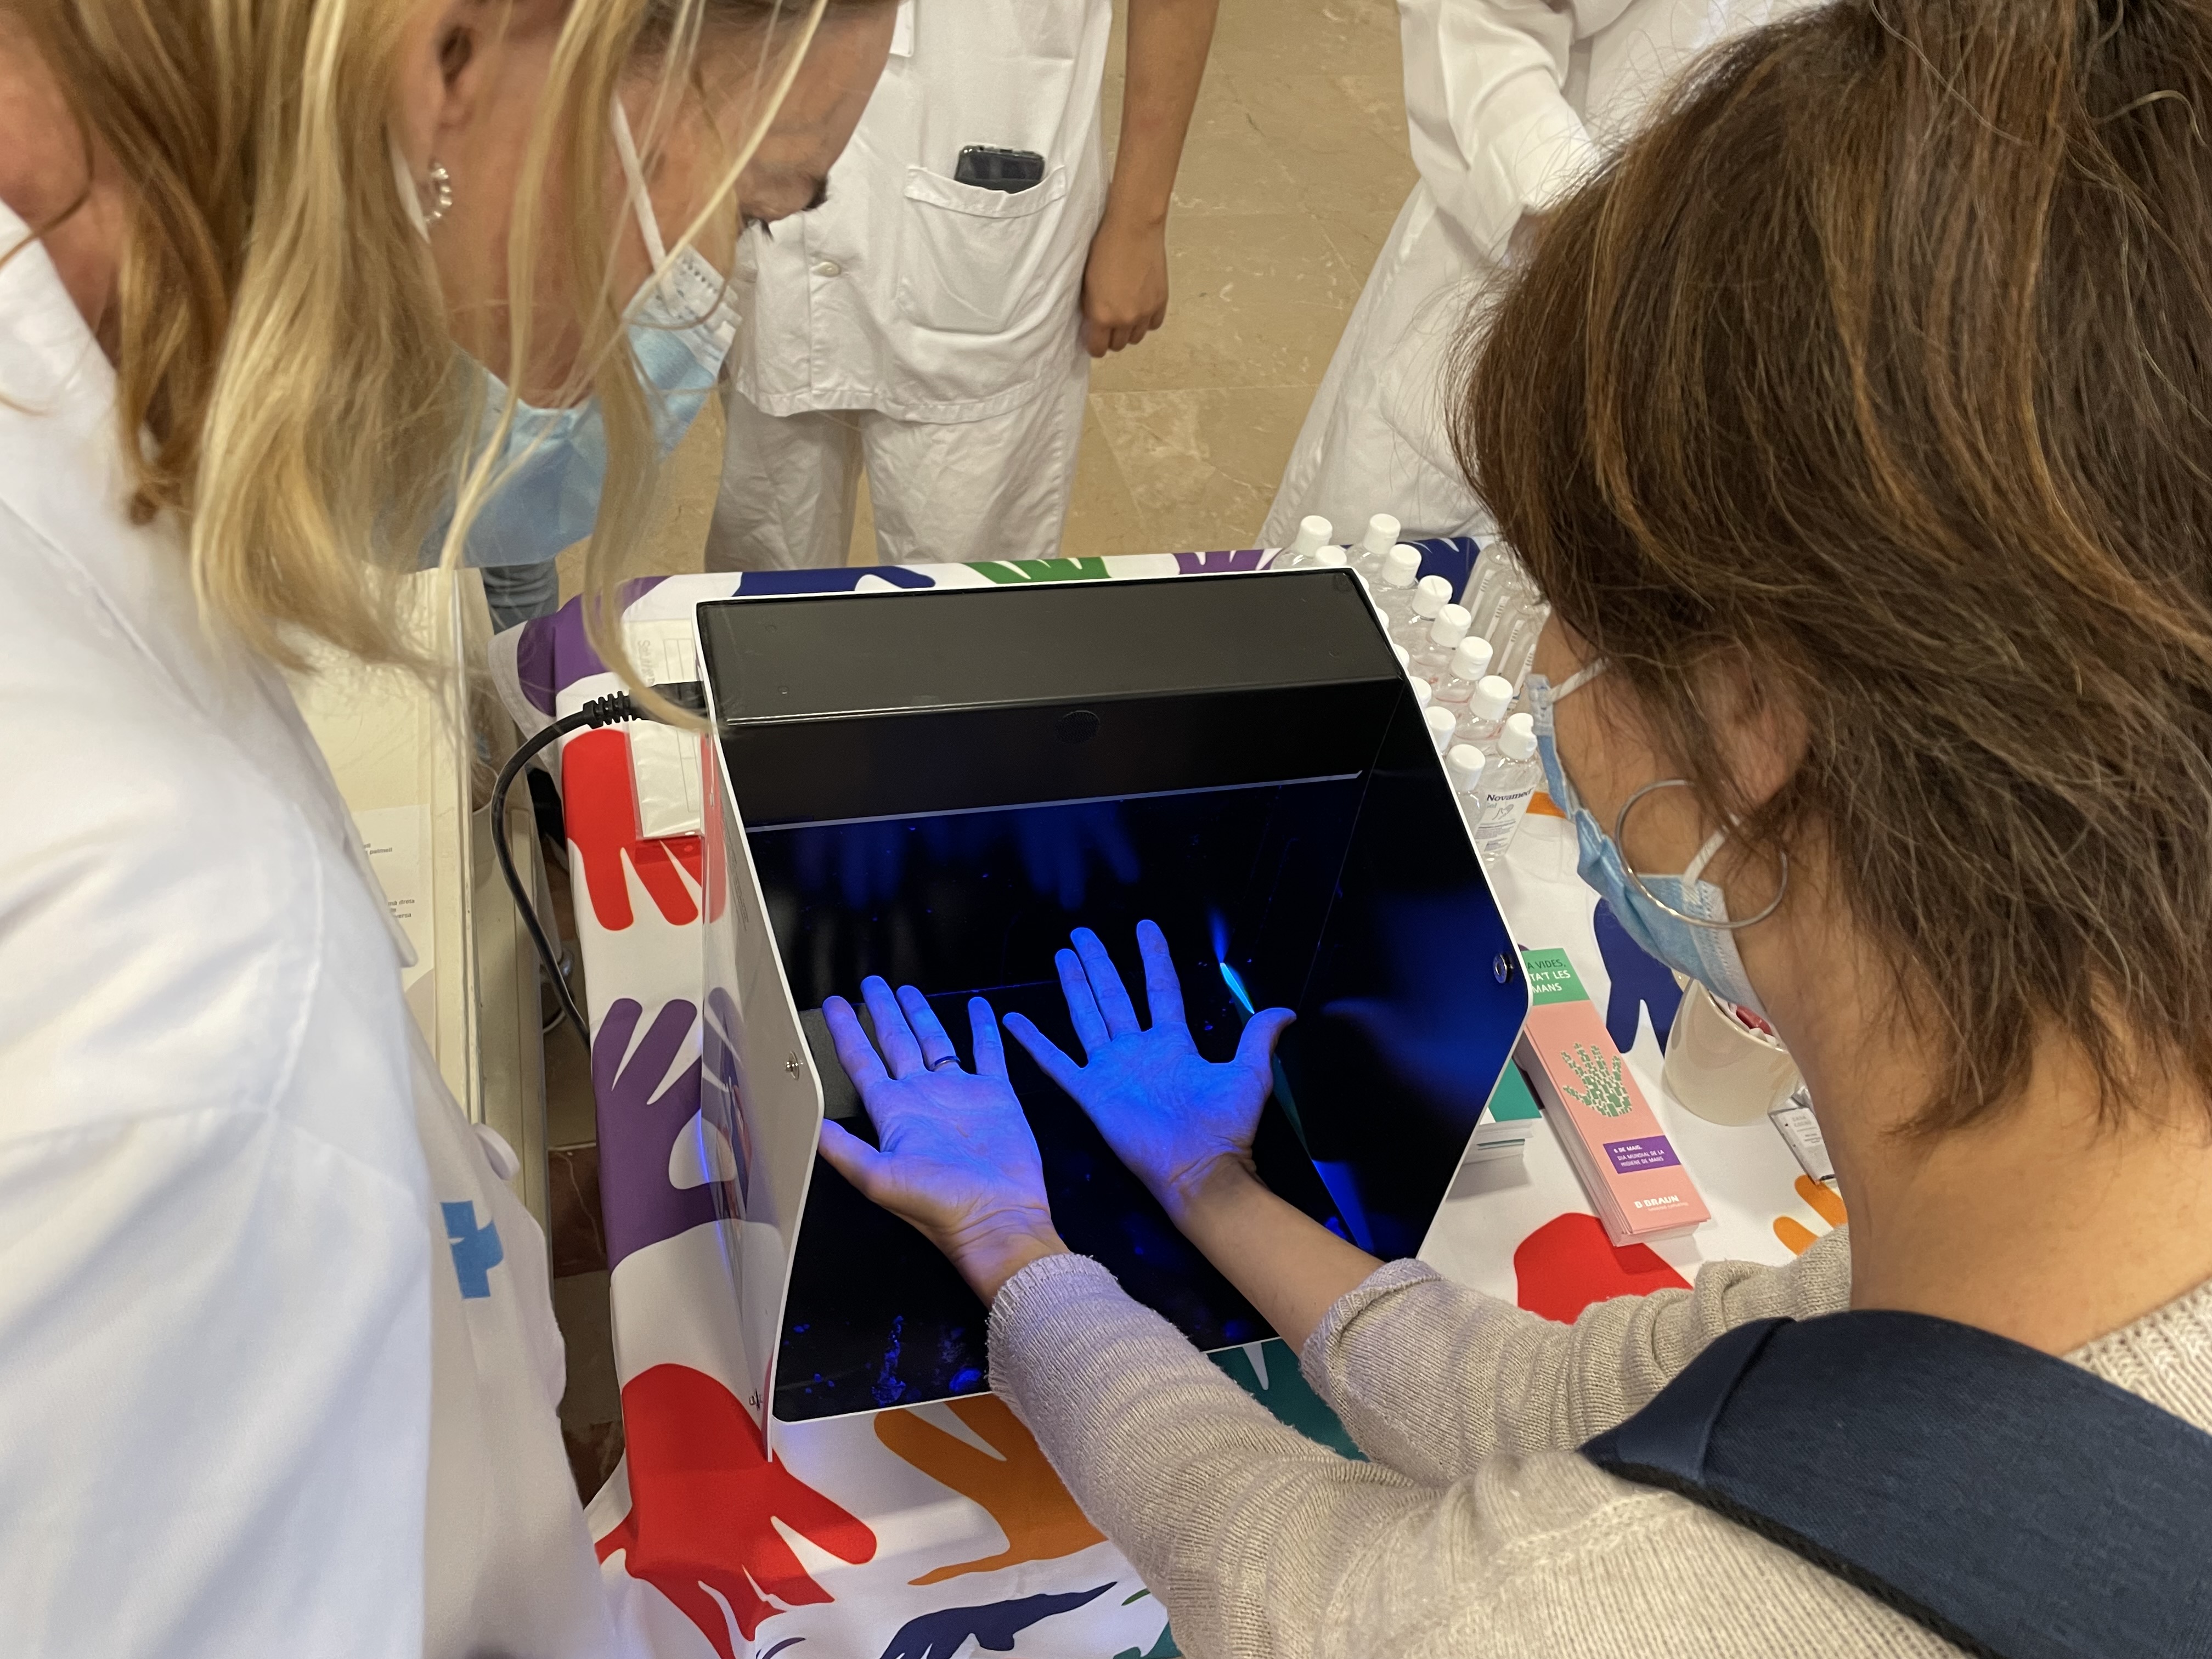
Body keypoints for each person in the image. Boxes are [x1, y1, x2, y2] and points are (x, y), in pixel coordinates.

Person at [816, 3, 2212, 1653]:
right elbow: (1567, 1400)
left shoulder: (1571, 1618)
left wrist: (1013, 1247)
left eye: (1561, 581)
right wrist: (1211, 1188)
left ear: (1756, 706)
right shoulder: (2052, 1244)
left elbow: (1293, 1580)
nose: (1544, 648)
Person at [0, 0, 890, 1649]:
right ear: (451, 61)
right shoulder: (179, 965)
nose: (686, 294)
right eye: (734, 203)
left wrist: (459, 1233)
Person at [1260, 0, 1810, 548]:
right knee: (1372, 591)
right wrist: (1591, 251)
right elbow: (1477, 20)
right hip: (1532, 294)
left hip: (1751, 407)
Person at [705, 0, 1218, 570]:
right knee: (767, 550)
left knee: (970, 567)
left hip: (986, 162)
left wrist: (1139, 220)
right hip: (764, 146)